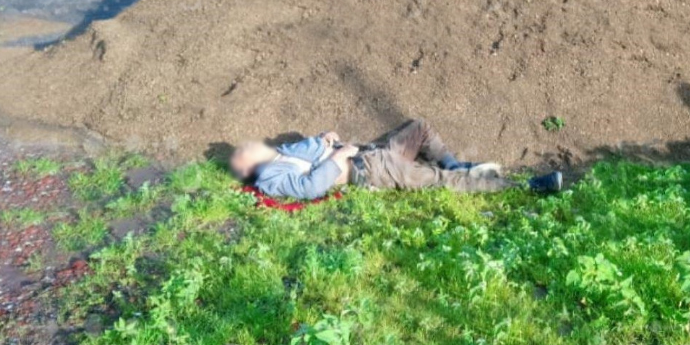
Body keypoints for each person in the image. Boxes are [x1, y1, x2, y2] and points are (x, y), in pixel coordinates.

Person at [230, 119, 563, 200]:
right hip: (370, 169)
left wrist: (324, 141)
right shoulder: (270, 177)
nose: (249, 145)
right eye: (242, 153)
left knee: (419, 127)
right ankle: (527, 186)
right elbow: (310, 187)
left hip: (373, 154)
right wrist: (340, 155)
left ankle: (458, 164)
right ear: (247, 169)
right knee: (443, 182)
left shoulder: (283, 153)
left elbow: (312, 153)